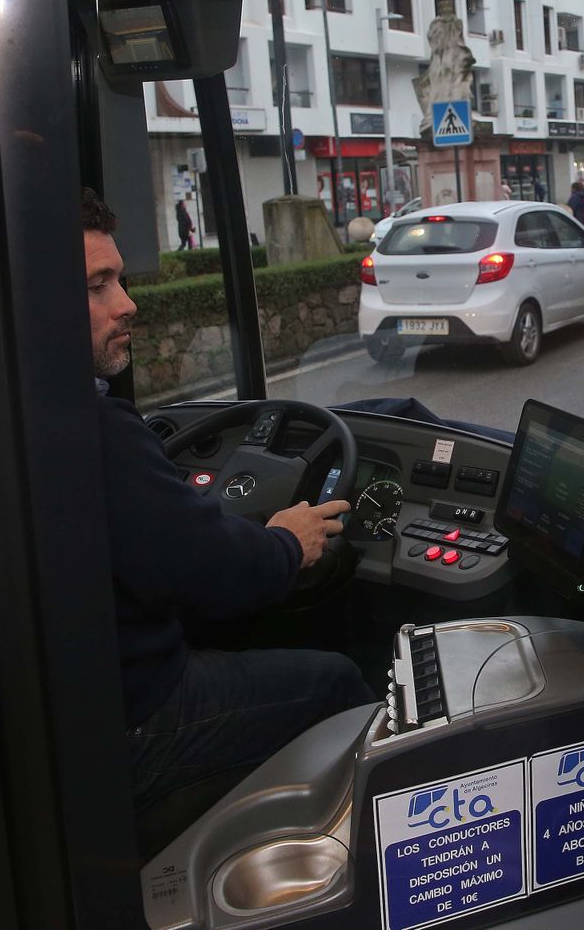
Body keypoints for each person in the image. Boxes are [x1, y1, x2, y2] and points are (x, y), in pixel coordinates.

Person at [79, 187, 374, 817]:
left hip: (86, 699)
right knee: (338, 681)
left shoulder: (10, 413)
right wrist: (289, 541)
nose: (127, 304)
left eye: (120, 281)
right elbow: (204, 565)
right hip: (138, 713)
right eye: (97, 286)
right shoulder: (92, 430)